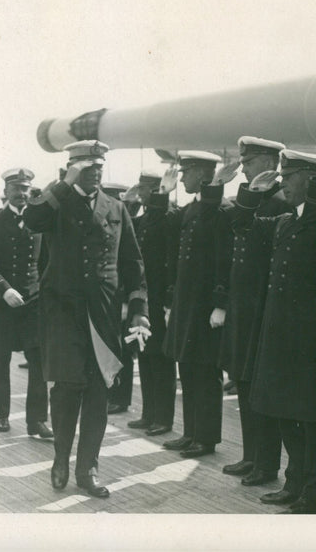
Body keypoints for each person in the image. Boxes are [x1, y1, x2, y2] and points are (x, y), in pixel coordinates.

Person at [24, 140, 149, 498]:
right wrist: (64, 183)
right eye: (87, 166)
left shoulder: (116, 206)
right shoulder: (56, 200)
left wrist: (139, 309)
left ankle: (87, 467)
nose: (96, 171)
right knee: (67, 388)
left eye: (99, 166)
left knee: (98, 391)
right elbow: (32, 219)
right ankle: (61, 457)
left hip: (104, 314)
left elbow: (132, 263)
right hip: (63, 311)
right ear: (72, 167)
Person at [231, 149, 316, 514]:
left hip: (309, 340)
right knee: (285, 412)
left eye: (289, 175)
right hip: (280, 336)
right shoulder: (284, 221)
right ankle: (294, 483)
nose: (282, 181)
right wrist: (252, 192)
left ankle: (315, 494)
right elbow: (239, 225)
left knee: (314, 419)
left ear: (310, 180)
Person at [218, 137, 292, 486]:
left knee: (261, 389)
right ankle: (251, 456)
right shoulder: (252, 201)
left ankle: (267, 464)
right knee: (245, 384)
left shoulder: (279, 201)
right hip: (244, 307)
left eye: (249, 161)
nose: (243, 167)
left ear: (268, 162)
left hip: (264, 308)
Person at [161, 151, 234, 459]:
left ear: (203, 175)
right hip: (187, 302)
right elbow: (162, 230)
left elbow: (223, 260)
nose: (182, 178)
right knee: (188, 368)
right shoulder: (193, 209)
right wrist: (162, 195)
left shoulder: (220, 209)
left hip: (205, 305)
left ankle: (206, 438)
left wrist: (221, 304)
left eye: (186, 172)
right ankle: (190, 432)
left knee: (205, 372)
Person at [0, 168, 52, 438]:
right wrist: (3, 290)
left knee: (39, 361)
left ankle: (37, 421)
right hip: (2, 304)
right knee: (0, 360)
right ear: (5, 192)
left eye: (25, 189)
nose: (21, 194)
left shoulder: (39, 223)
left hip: (33, 303)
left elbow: (46, 263)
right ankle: (3, 415)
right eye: (16, 189)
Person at [122, 169, 178, 437]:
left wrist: (161, 197)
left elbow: (162, 228)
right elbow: (127, 227)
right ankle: (149, 413)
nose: (139, 192)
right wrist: (130, 202)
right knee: (145, 354)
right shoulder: (145, 219)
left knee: (160, 359)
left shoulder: (166, 216)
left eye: (143, 189)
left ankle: (163, 418)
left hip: (158, 299)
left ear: (156, 190)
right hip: (145, 298)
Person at [101, 182, 135, 416]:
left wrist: (125, 302)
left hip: (119, 300)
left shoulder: (125, 223)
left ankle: (121, 399)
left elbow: (128, 264)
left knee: (123, 351)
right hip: (109, 300)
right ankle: (110, 394)